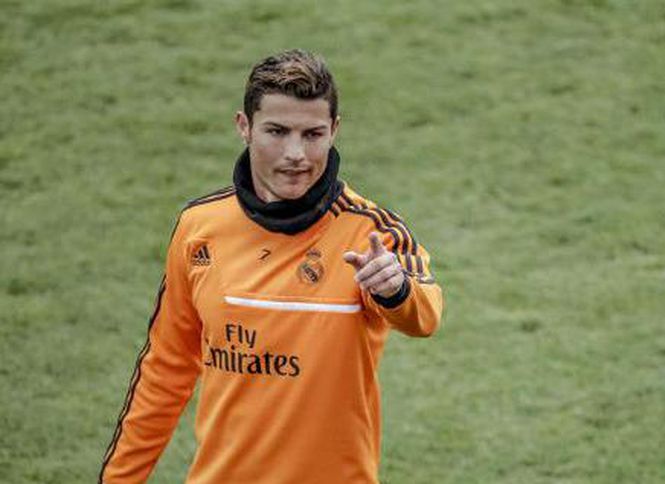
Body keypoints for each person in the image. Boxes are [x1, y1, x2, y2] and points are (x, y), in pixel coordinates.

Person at [100, 49, 443, 483]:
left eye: (313, 134)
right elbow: (166, 368)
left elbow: (425, 316)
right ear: (244, 127)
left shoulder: (371, 233)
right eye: (277, 131)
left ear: (334, 131)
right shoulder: (199, 227)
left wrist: (395, 290)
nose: (295, 153)